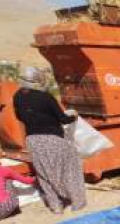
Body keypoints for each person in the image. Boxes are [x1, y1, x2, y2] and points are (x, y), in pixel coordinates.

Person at [13, 66, 85, 214]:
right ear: (38, 80)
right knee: (70, 167)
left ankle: (56, 206)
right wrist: (74, 116)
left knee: (44, 173)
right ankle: (77, 201)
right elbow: (63, 119)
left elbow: (20, 117)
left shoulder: (17, 96)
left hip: (33, 140)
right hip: (53, 139)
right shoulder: (46, 97)